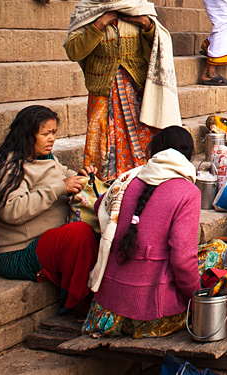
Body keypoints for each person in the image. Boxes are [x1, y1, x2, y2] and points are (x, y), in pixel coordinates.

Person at [64, 0, 180, 180]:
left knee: (142, 140)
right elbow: (73, 51)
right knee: (102, 143)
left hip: (136, 90)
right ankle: (105, 188)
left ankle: (140, 183)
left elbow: (158, 46)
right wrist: (98, 25)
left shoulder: (137, 4)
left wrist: (147, 26)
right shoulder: (86, 10)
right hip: (102, 92)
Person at [0, 105, 99, 312]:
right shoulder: (10, 167)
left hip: (48, 242)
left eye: (53, 133)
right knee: (79, 234)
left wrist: (83, 178)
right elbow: (11, 211)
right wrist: (60, 188)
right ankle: (77, 304)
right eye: (45, 134)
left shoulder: (48, 159)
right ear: (27, 135)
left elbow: (65, 176)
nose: (51, 139)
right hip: (19, 252)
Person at [82, 126, 200, 338]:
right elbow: (182, 261)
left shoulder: (127, 179)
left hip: (105, 313)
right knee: (218, 251)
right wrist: (196, 300)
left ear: (154, 151)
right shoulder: (188, 192)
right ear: (188, 156)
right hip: (151, 316)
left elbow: (100, 205)